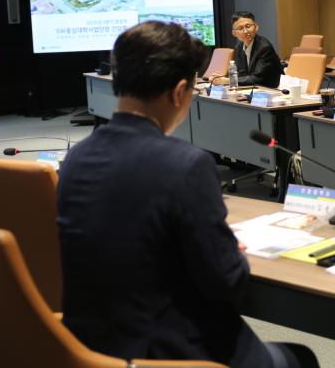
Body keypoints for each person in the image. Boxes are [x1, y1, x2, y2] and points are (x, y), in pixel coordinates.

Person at [56, 21, 315, 368]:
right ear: (180, 92)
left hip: (92, 349)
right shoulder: (185, 165)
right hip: (171, 353)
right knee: (300, 358)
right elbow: (226, 281)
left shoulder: (76, 158)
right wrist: (228, 250)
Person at [214, 12, 282, 88]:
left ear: (256, 27)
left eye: (248, 26)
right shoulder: (239, 47)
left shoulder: (264, 47)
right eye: (240, 28)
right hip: (250, 88)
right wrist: (220, 79)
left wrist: (228, 81)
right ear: (234, 33)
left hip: (268, 89)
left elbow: (257, 78)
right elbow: (241, 73)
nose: (245, 31)